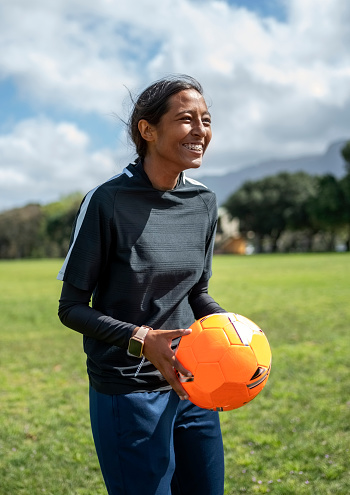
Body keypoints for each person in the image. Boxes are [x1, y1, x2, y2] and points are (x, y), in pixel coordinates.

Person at [57, 75, 226, 495]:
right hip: (128, 390)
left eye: (206, 120)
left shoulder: (203, 201)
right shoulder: (106, 200)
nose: (201, 131)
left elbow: (195, 293)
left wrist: (233, 327)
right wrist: (140, 338)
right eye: (187, 119)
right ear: (147, 130)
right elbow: (71, 306)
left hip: (192, 382)